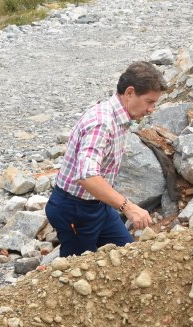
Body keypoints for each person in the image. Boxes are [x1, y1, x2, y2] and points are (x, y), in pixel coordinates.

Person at [44, 61, 165, 257]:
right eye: (149, 102)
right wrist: (128, 207)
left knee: (127, 255)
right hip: (74, 209)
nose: (152, 109)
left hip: (98, 204)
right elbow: (87, 176)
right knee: (79, 268)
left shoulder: (121, 118)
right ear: (129, 93)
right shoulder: (102, 123)